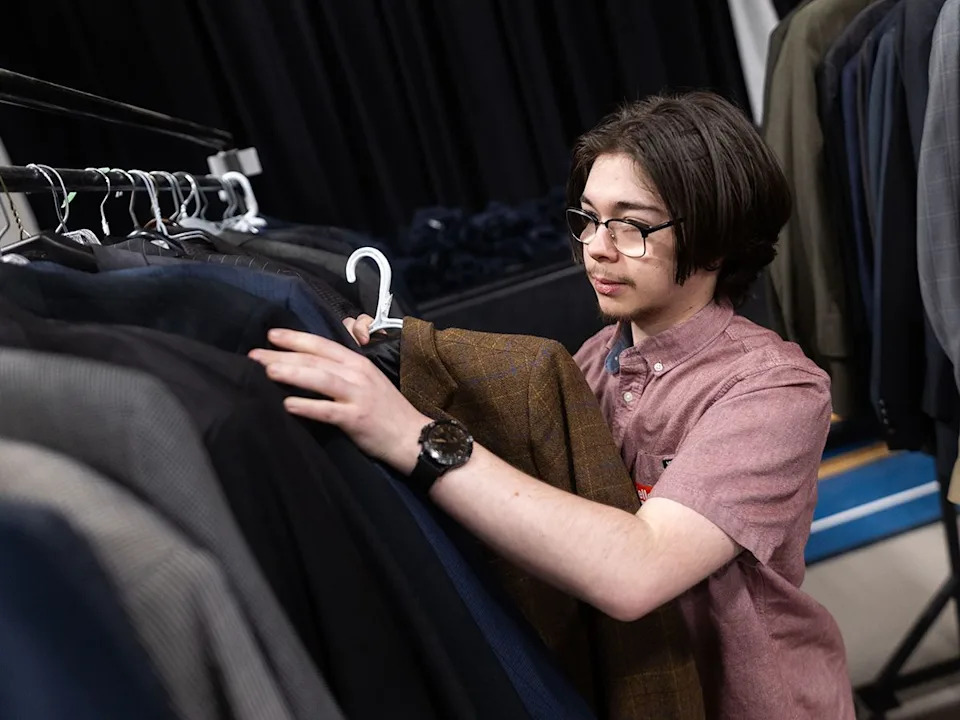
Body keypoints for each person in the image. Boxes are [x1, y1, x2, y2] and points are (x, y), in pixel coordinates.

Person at [249, 91, 855, 720]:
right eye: (589, 218)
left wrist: (410, 433)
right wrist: (396, 371)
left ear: (716, 233)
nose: (597, 247)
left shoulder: (772, 390)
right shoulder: (585, 364)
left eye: (632, 224)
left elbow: (636, 572)